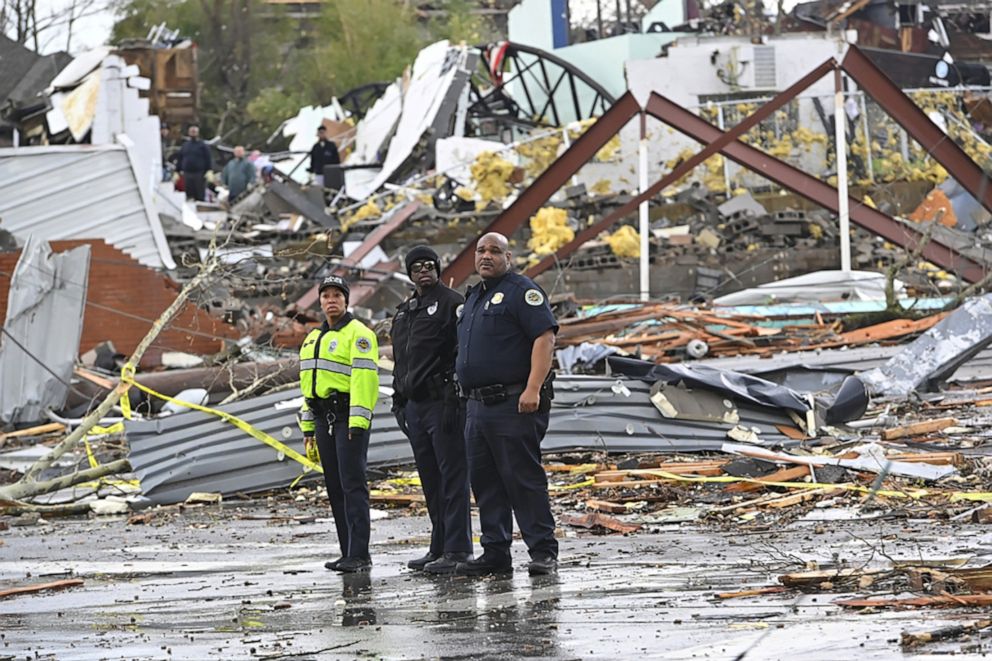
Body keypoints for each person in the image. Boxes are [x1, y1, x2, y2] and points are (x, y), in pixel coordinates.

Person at [454, 232, 559, 577]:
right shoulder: (473, 298)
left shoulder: (521, 292)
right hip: (477, 408)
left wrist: (533, 388)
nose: (486, 256)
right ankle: (495, 552)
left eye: (494, 251)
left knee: (523, 479)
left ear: (508, 257)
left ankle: (543, 551)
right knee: (486, 483)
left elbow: (544, 338)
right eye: (480, 250)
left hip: (514, 403)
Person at [390, 245, 472, 574]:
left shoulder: (453, 303)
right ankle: (438, 546)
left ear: (438, 268)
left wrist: (456, 395)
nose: (423, 270)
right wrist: (399, 400)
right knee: (430, 480)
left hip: (443, 403)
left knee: (452, 477)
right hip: (415, 405)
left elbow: (463, 352)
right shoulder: (404, 311)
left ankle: (458, 549)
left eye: (429, 265)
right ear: (409, 274)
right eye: (416, 267)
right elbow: (402, 361)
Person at [298, 275, 380, 573]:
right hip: (323, 419)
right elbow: (307, 388)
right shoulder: (312, 339)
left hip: (348, 418)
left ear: (347, 300)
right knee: (334, 486)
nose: (331, 300)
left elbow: (364, 381)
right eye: (326, 295)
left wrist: (358, 423)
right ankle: (347, 551)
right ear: (320, 301)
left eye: (337, 295)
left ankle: (360, 553)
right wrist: (308, 428)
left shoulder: (359, 334)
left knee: (352, 485)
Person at [177, 124, 212, 202]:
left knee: (199, 194)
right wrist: (177, 171)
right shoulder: (185, 145)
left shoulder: (203, 145)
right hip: (187, 174)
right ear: (189, 133)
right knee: (189, 195)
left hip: (199, 174)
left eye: (194, 132)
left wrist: (209, 170)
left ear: (198, 133)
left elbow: (208, 158)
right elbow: (180, 158)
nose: (193, 133)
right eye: (191, 132)